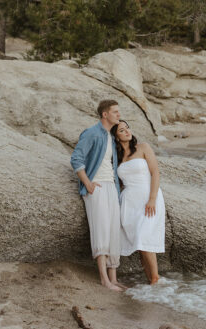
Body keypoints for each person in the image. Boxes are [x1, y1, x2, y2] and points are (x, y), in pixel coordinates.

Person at [70, 99, 124, 291]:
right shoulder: (92, 133)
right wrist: (87, 183)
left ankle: (114, 278)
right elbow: (76, 157)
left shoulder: (110, 136)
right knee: (101, 230)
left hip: (111, 187)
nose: (119, 115)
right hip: (97, 188)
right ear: (105, 114)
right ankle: (104, 280)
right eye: (115, 112)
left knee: (112, 231)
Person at [111, 119, 165, 284]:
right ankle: (151, 281)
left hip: (147, 197)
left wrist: (152, 199)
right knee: (140, 244)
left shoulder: (143, 147)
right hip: (129, 202)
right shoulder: (117, 157)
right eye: (122, 130)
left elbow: (155, 172)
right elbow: (117, 182)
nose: (127, 131)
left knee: (144, 237)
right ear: (116, 136)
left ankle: (155, 278)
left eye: (127, 128)